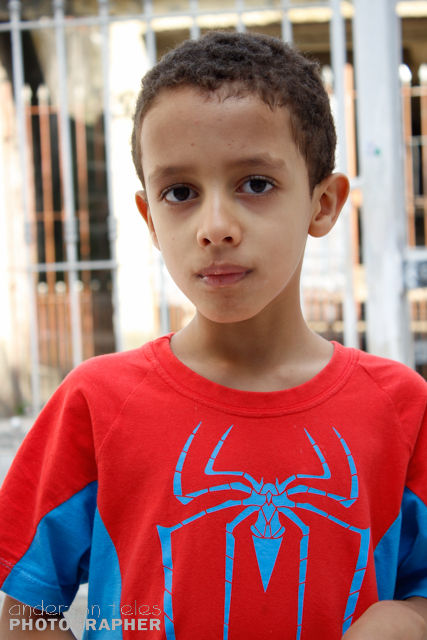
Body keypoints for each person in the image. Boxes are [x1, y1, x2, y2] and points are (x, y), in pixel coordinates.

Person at [0, 30, 426, 640]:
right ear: (150, 218)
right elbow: (25, 608)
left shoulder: (401, 407)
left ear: (324, 204)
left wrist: (405, 620)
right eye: (180, 193)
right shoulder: (96, 402)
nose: (216, 226)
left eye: (256, 183)